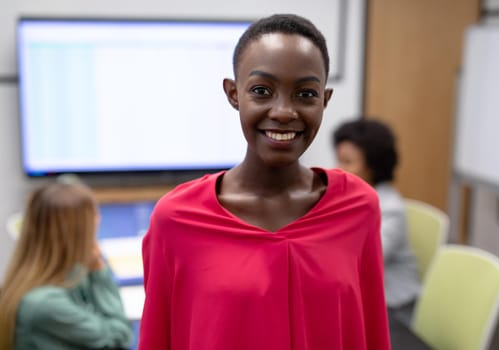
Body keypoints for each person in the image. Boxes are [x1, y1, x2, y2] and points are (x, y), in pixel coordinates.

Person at [140, 14, 390, 350]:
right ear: (233, 94)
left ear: (325, 100)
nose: (285, 111)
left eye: (305, 94)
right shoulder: (177, 218)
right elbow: (158, 338)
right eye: (261, 91)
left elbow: (371, 332)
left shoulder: (357, 207)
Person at [0, 181, 134, 350]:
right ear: (77, 234)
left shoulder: (50, 280)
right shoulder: (44, 304)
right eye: (93, 220)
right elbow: (119, 338)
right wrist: (98, 268)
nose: (98, 221)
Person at [332, 118, 421, 312]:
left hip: (395, 306)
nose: (339, 169)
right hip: (359, 298)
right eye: (339, 159)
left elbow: (361, 261)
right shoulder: (346, 197)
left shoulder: (390, 210)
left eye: (348, 162)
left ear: (373, 166)